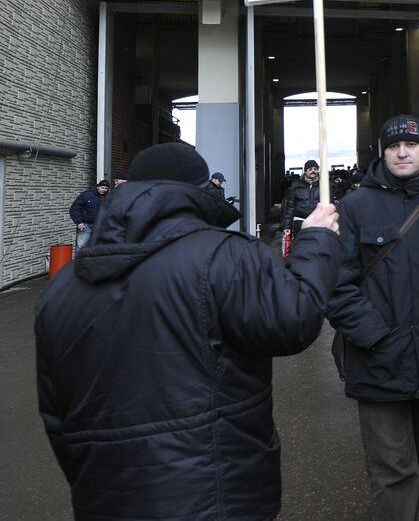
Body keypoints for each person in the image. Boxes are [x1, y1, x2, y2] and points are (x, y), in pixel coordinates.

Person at [36, 142, 340, 521]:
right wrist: (317, 241)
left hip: (104, 498)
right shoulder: (228, 256)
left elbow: (56, 412)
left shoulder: (61, 289)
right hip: (216, 496)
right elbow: (293, 319)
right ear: (199, 190)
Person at [327, 116, 419, 521]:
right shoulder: (355, 206)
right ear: (383, 152)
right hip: (378, 361)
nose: (403, 151)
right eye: (394, 146)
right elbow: (336, 284)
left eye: (411, 144)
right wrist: (373, 335)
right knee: (395, 470)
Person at [280, 159, 320, 243]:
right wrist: (286, 226)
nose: (313, 171)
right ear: (305, 171)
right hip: (300, 223)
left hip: (318, 222)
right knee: (301, 247)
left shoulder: (324, 186)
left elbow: (330, 205)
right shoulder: (295, 186)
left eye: (315, 169)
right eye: (310, 169)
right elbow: (290, 207)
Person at [68, 179, 109, 250]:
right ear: (97, 187)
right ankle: (79, 261)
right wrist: (79, 222)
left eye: (106, 188)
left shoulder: (108, 198)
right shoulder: (86, 195)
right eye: (102, 188)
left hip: (99, 226)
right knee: (81, 247)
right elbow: (74, 209)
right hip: (85, 226)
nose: (104, 190)